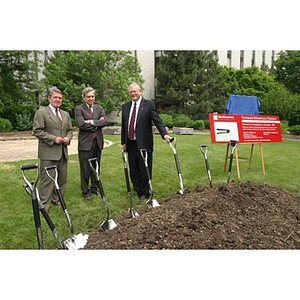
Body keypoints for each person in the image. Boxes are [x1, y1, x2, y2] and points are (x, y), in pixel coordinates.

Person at [121, 82, 172, 201]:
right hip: (130, 142)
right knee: (133, 169)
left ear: (140, 92)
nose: (133, 93)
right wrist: (123, 141)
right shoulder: (126, 106)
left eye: (135, 91)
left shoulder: (148, 105)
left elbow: (157, 120)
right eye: (131, 92)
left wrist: (164, 134)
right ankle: (137, 188)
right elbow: (125, 125)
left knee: (144, 167)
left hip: (144, 143)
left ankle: (144, 192)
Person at [33, 86, 73, 213]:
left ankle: (57, 200)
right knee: (47, 180)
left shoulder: (65, 114)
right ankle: (44, 205)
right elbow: (37, 131)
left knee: (62, 178)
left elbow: (70, 130)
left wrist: (68, 138)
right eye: (55, 97)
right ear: (49, 98)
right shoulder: (42, 112)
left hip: (62, 152)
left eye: (60, 98)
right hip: (48, 152)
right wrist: (53, 138)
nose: (57, 100)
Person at [75, 87, 108, 201]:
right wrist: (97, 124)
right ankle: (86, 191)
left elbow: (105, 121)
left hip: (97, 142)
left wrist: (91, 122)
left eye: (92, 96)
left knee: (96, 166)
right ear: (84, 97)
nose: (91, 98)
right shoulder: (79, 109)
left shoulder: (99, 108)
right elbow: (81, 124)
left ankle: (94, 187)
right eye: (88, 96)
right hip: (85, 143)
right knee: (85, 168)